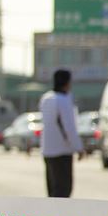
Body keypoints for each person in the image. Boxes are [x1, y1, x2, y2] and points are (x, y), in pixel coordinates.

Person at [39, 69, 85, 197]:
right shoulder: (63, 100)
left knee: (52, 189)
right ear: (67, 83)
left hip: (47, 150)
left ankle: (50, 215)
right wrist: (78, 148)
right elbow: (69, 127)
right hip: (62, 151)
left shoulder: (46, 98)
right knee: (63, 190)